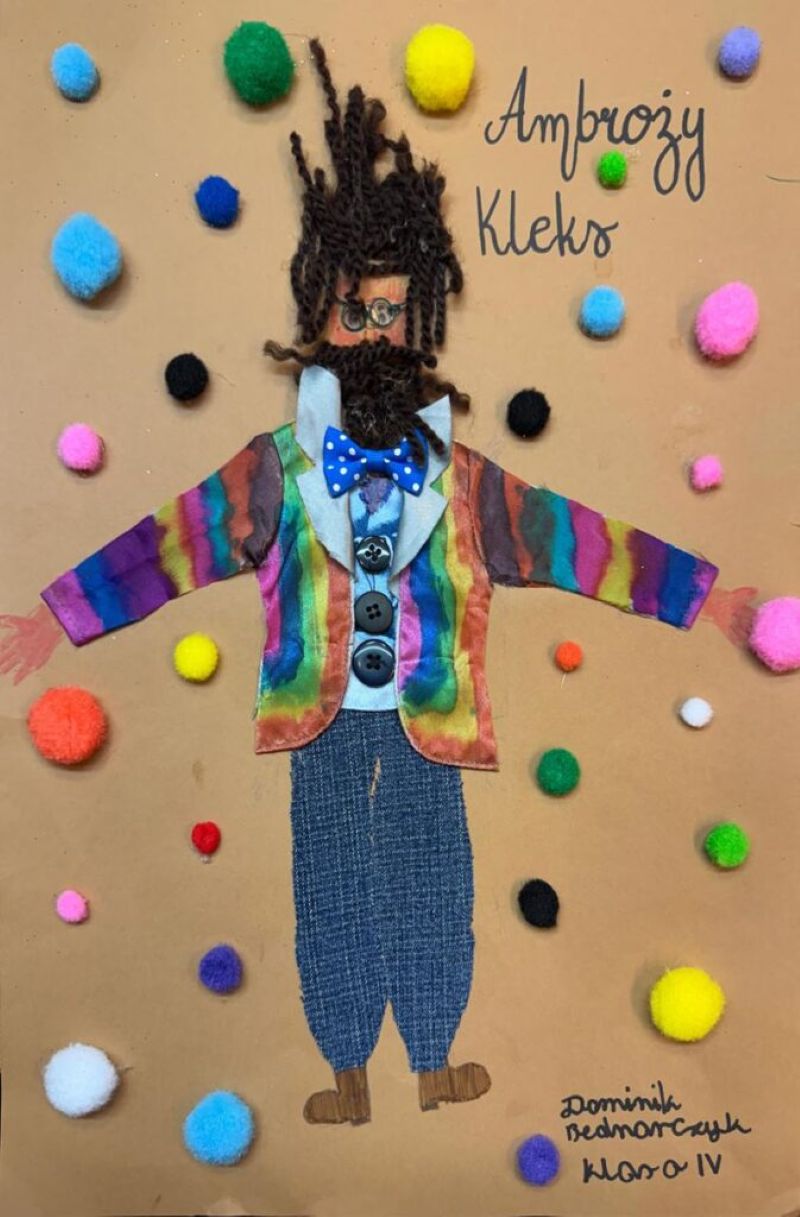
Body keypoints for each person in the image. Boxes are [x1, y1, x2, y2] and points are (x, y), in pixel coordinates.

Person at [34, 41, 718, 1124]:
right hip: (316, 712)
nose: (371, 333)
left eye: (390, 313)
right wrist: (62, 610)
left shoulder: (461, 475)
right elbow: (175, 539)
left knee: (433, 877)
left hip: (427, 711)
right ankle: (345, 1066)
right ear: (320, 311)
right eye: (353, 313)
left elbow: (572, 535)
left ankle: (434, 1053)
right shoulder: (278, 464)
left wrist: (698, 593)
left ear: (420, 317)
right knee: (329, 885)